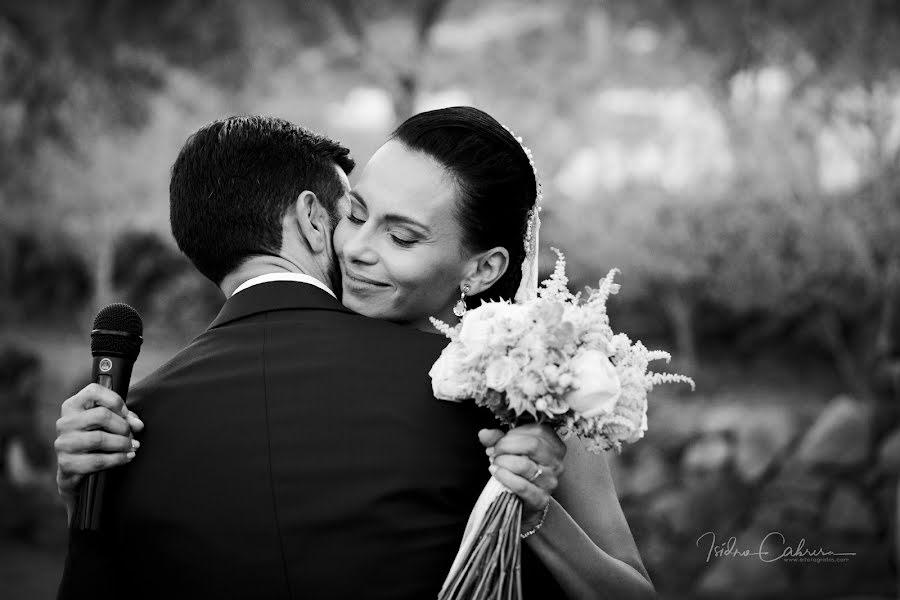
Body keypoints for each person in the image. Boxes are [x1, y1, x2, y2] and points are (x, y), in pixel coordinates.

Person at [56, 109, 656, 599]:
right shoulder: (155, 412)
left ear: (482, 269)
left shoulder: (531, 388)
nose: (358, 251)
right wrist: (86, 491)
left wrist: (536, 513)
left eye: (401, 236)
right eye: (357, 214)